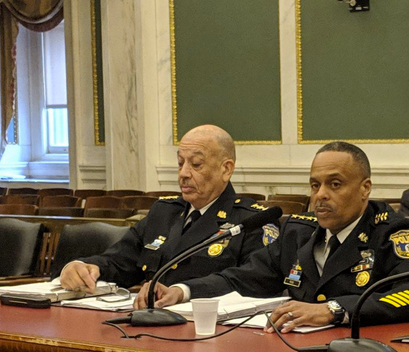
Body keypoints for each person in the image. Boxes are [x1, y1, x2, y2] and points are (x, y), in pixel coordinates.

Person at [134, 141, 409, 331]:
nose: (321, 196)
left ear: (365, 188)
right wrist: (182, 290)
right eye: (315, 185)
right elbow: (241, 278)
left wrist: (333, 310)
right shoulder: (298, 233)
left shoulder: (391, 232)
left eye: (335, 184)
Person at [60, 125, 274, 293]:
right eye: (180, 163)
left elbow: (254, 280)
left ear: (226, 169)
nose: (183, 173)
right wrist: (86, 267)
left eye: (196, 164)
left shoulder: (252, 221)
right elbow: (122, 259)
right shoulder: (164, 212)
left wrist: (184, 291)